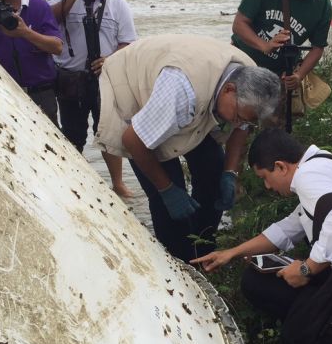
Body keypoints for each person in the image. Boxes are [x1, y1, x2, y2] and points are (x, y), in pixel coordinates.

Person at [191, 129, 332, 344]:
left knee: (257, 285)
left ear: (281, 167)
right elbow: (289, 228)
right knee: (258, 276)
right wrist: (231, 252)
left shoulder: (308, 178)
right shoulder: (322, 163)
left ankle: (316, 334)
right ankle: (309, 323)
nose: (267, 186)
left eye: (265, 177)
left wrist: (306, 269)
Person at [94, 35, 281, 263]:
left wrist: (230, 172)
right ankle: (177, 264)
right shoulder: (181, 92)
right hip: (132, 82)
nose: (236, 122)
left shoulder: (250, 77)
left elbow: (242, 125)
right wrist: (168, 190)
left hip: (197, 96)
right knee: (169, 202)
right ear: (229, 90)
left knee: (214, 174)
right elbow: (133, 141)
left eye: (246, 120)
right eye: (238, 116)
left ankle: (203, 250)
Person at [47, 0, 137, 198]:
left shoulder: (117, 3)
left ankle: (117, 183)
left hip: (105, 79)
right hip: (70, 78)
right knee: (72, 134)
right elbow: (49, 20)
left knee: (109, 132)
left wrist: (110, 59)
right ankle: (71, 182)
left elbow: (128, 43)